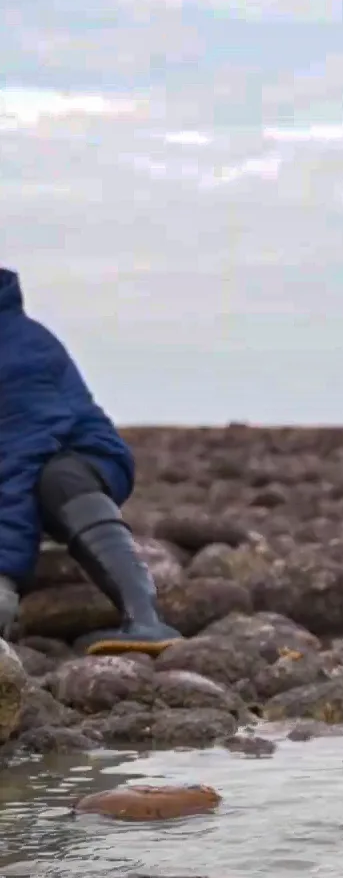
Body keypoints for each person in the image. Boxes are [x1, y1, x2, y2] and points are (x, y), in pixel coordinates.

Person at [0, 269, 183, 655]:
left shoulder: (18, 350)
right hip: (17, 466)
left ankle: (145, 617)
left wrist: (4, 575)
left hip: (81, 459)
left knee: (57, 479)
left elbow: (21, 458)